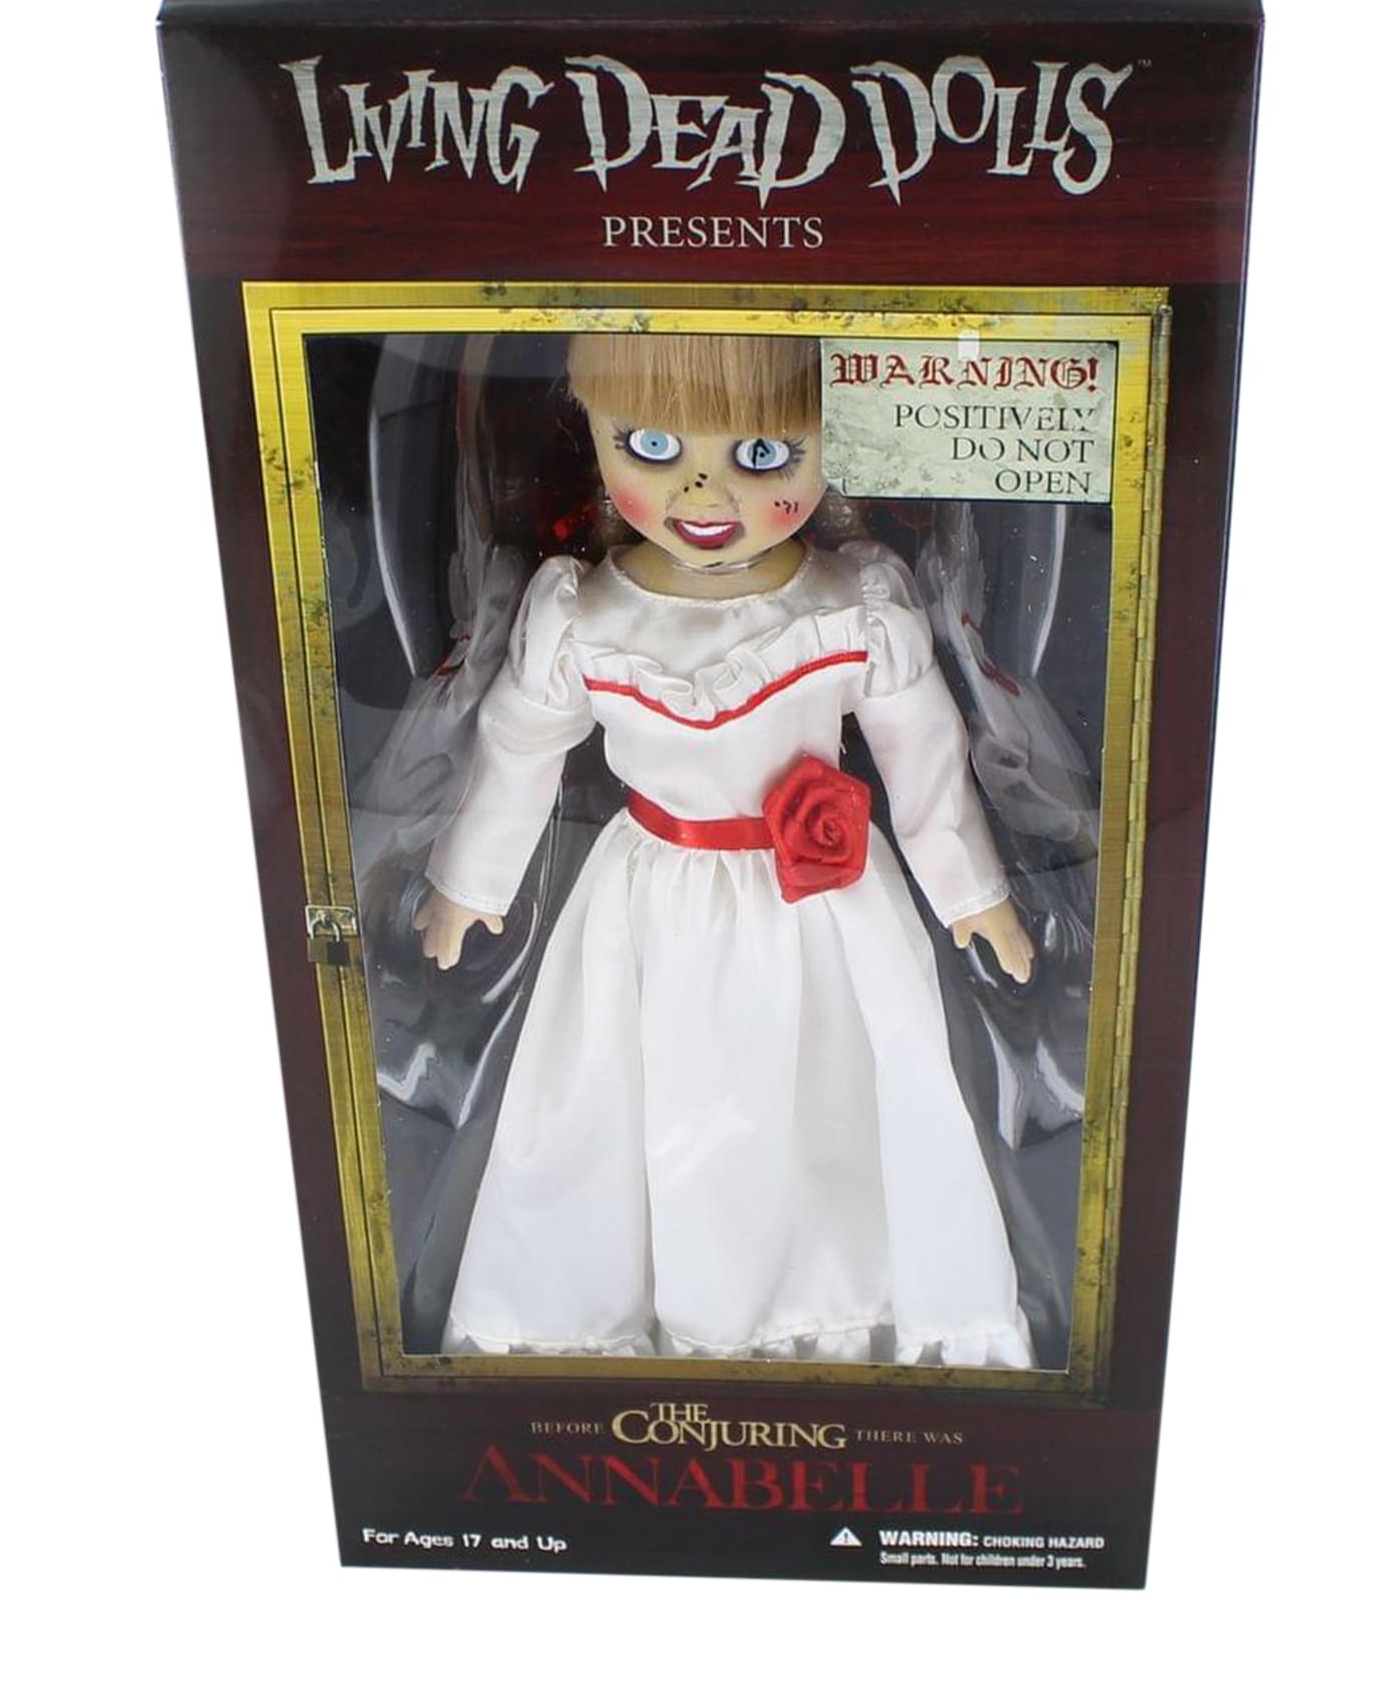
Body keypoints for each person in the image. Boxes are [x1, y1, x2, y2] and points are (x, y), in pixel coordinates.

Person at [416, 330, 1036, 1365]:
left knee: (831, 1100)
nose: (704, 490)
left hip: (822, 912)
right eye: (652, 445)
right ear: (594, 433)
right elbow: (519, 745)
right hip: (646, 902)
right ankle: (613, 1309)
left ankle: (823, 1316)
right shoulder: (584, 617)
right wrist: (471, 882)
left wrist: (972, 892)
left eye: (762, 455)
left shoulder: (850, 608)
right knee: (621, 1097)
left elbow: (926, 754)